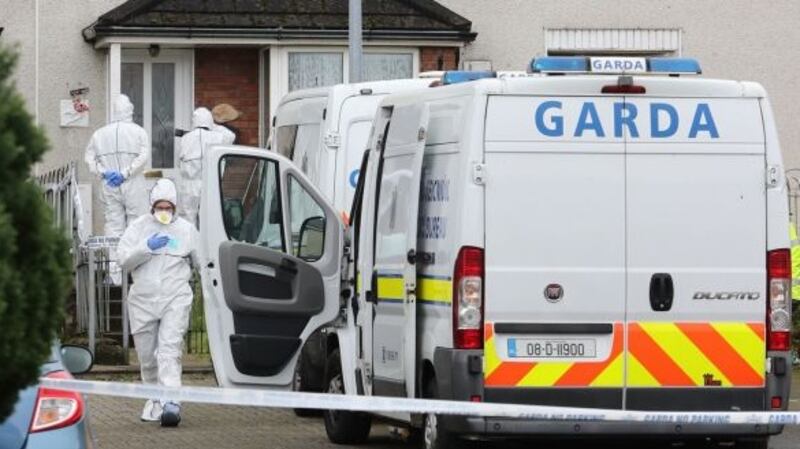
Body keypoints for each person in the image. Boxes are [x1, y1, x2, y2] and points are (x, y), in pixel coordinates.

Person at [117, 178, 199, 427]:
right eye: (160, 207)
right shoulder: (138, 228)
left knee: (169, 350)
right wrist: (145, 248)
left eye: (169, 208)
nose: (164, 212)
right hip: (142, 300)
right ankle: (153, 398)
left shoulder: (186, 230)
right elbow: (123, 260)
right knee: (147, 356)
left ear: (175, 208)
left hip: (175, 297)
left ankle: (171, 402)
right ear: (152, 207)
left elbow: (202, 262)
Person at [84, 94, 150, 284]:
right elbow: (143, 156)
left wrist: (105, 173)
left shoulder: (99, 134)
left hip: (110, 184)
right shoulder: (138, 132)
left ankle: (114, 274)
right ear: (130, 110)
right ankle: (136, 272)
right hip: (133, 182)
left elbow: (89, 159)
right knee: (136, 224)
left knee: (114, 227)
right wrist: (126, 172)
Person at [178, 107, 229, 227]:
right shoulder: (219, 137)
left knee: (187, 221)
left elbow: (178, 162)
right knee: (209, 220)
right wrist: (213, 126)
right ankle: (206, 245)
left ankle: (191, 245)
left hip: (189, 185)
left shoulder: (185, 138)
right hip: (210, 184)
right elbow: (231, 135)